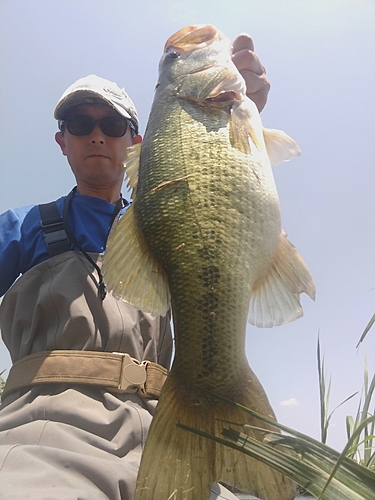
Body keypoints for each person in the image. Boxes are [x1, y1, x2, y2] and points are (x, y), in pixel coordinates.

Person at [0, 35, 270, 500]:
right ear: (62, 141)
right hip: (44, 424)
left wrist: (242, 120)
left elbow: (228, 211)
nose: (97, 134)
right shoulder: (22, 227)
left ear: (137, 140)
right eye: (80, 123)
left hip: (168, 423)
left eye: (112, 123)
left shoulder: (169, 221)